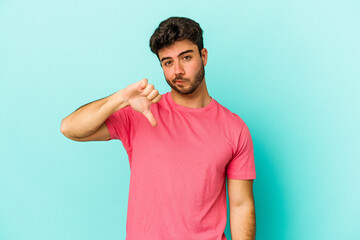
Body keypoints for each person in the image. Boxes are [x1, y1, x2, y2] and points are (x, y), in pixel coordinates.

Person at [61, 16, 256, 240]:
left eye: (186, 57)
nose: (178, 71)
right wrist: (120, 98)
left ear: (203, 56)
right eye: (168, 62)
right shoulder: (141, 111)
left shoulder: (234, 128)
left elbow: (241, 205)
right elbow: (70, 128)